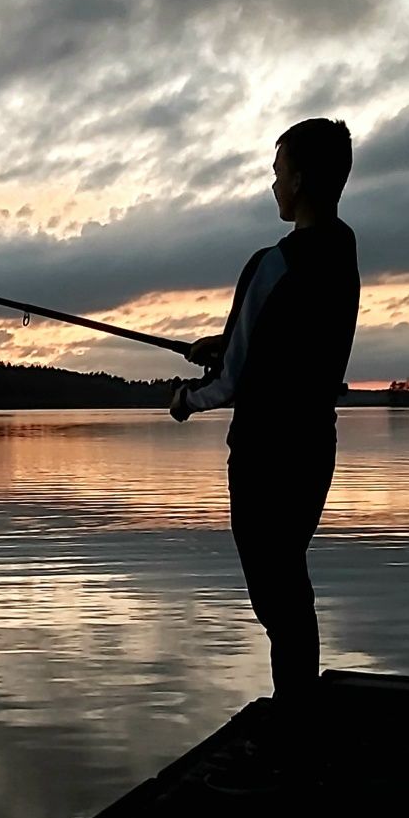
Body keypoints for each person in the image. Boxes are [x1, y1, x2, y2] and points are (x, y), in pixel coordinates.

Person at [170, 118, 359, 728]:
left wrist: (184, 400)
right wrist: (226, 344)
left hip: (263, 452)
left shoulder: (270, 263)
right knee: (290, 580)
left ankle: (294, 717)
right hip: (313, 444)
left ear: (300, 180)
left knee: (272, 588)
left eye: (278, 174)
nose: (273, 186)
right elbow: (285, 348)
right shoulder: (343, 248)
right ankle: (298, 705)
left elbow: (234, 383)